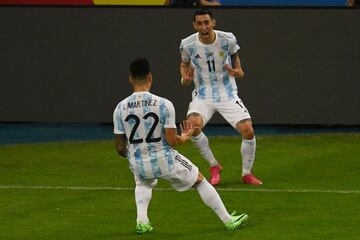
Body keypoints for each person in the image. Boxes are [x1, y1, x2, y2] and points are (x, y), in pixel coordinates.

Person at [113, 58, 248, 234]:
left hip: (139, 161)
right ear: (150, 77)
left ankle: (142, 222)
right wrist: (185, 136)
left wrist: (132, 155)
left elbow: (119, 147)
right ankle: (228, 220)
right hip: (164, 159)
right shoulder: (163, 104)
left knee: (143, 183)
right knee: (199, 180)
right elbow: (172, 141)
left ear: (130, 78)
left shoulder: (120, 108)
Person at [179, 9, 262, 186]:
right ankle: (214, 165)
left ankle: (246, 173)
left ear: (213, 23)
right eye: (199, 23)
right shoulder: (187, 44)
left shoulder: (228, 39)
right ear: (195, 25)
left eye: (206, 22)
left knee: (248, 130)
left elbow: (235, 58)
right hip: (203, 95)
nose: (204, 27)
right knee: (193, 126)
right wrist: (184, 78)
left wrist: (238, 71)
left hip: (227, 93)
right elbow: (184, 63)